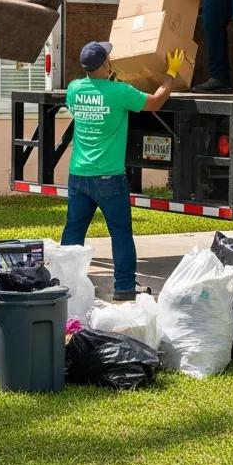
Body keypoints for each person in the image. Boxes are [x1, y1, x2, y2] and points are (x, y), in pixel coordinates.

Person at [61, 41, 185, 300]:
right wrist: (171, 73)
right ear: (105, 64)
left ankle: (65, 285)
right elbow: (156, 102)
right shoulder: (120, 92)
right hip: (109, 177)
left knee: (73, 231)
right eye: (108, 59)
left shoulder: (74, 89)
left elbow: (84, 103)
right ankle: (125, 287)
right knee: (120, 233)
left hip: (79, 175)